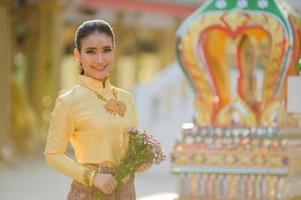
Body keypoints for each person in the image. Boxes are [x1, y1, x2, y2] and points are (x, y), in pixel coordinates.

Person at [45, 19, 140, 200]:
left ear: (114, 50)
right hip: (89, 192)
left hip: (126, 191)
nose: (100, 59)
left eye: (106, 50)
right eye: (90, 52)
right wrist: (91, 177)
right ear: (78, 55)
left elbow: (130, 146)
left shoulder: (126, 98)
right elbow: (52, 155)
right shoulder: (69, 102)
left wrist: (139, 159)